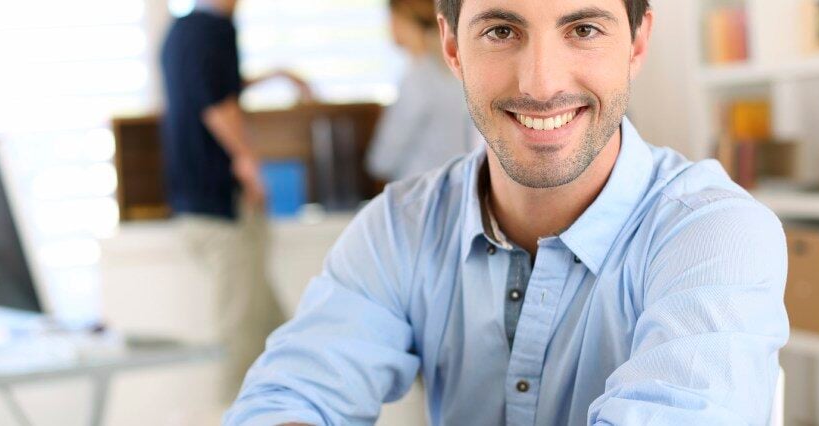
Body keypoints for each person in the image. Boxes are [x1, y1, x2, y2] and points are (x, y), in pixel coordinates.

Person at [224, 0, 789, 424]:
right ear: (452, 48)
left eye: (583, 30)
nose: (541, 84)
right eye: (500, 31)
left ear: (637, 45)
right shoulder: (400, 226)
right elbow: (289, 397)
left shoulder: (714, 234)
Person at [159, 0, 311, 404]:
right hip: (223, 210)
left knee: (272, 330)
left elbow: (212, 87)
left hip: (193, 207)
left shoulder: (181, 32)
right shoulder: (214, 29)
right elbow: (216, 104)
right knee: (244, 335)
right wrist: (248, 160)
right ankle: (234, 414)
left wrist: (274, 76)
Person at [366, 0, 479, 182]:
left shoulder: (418, 77)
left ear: (405, 20)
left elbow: (384, 159)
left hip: (418, 188)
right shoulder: (456, 67)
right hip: (459, 183)